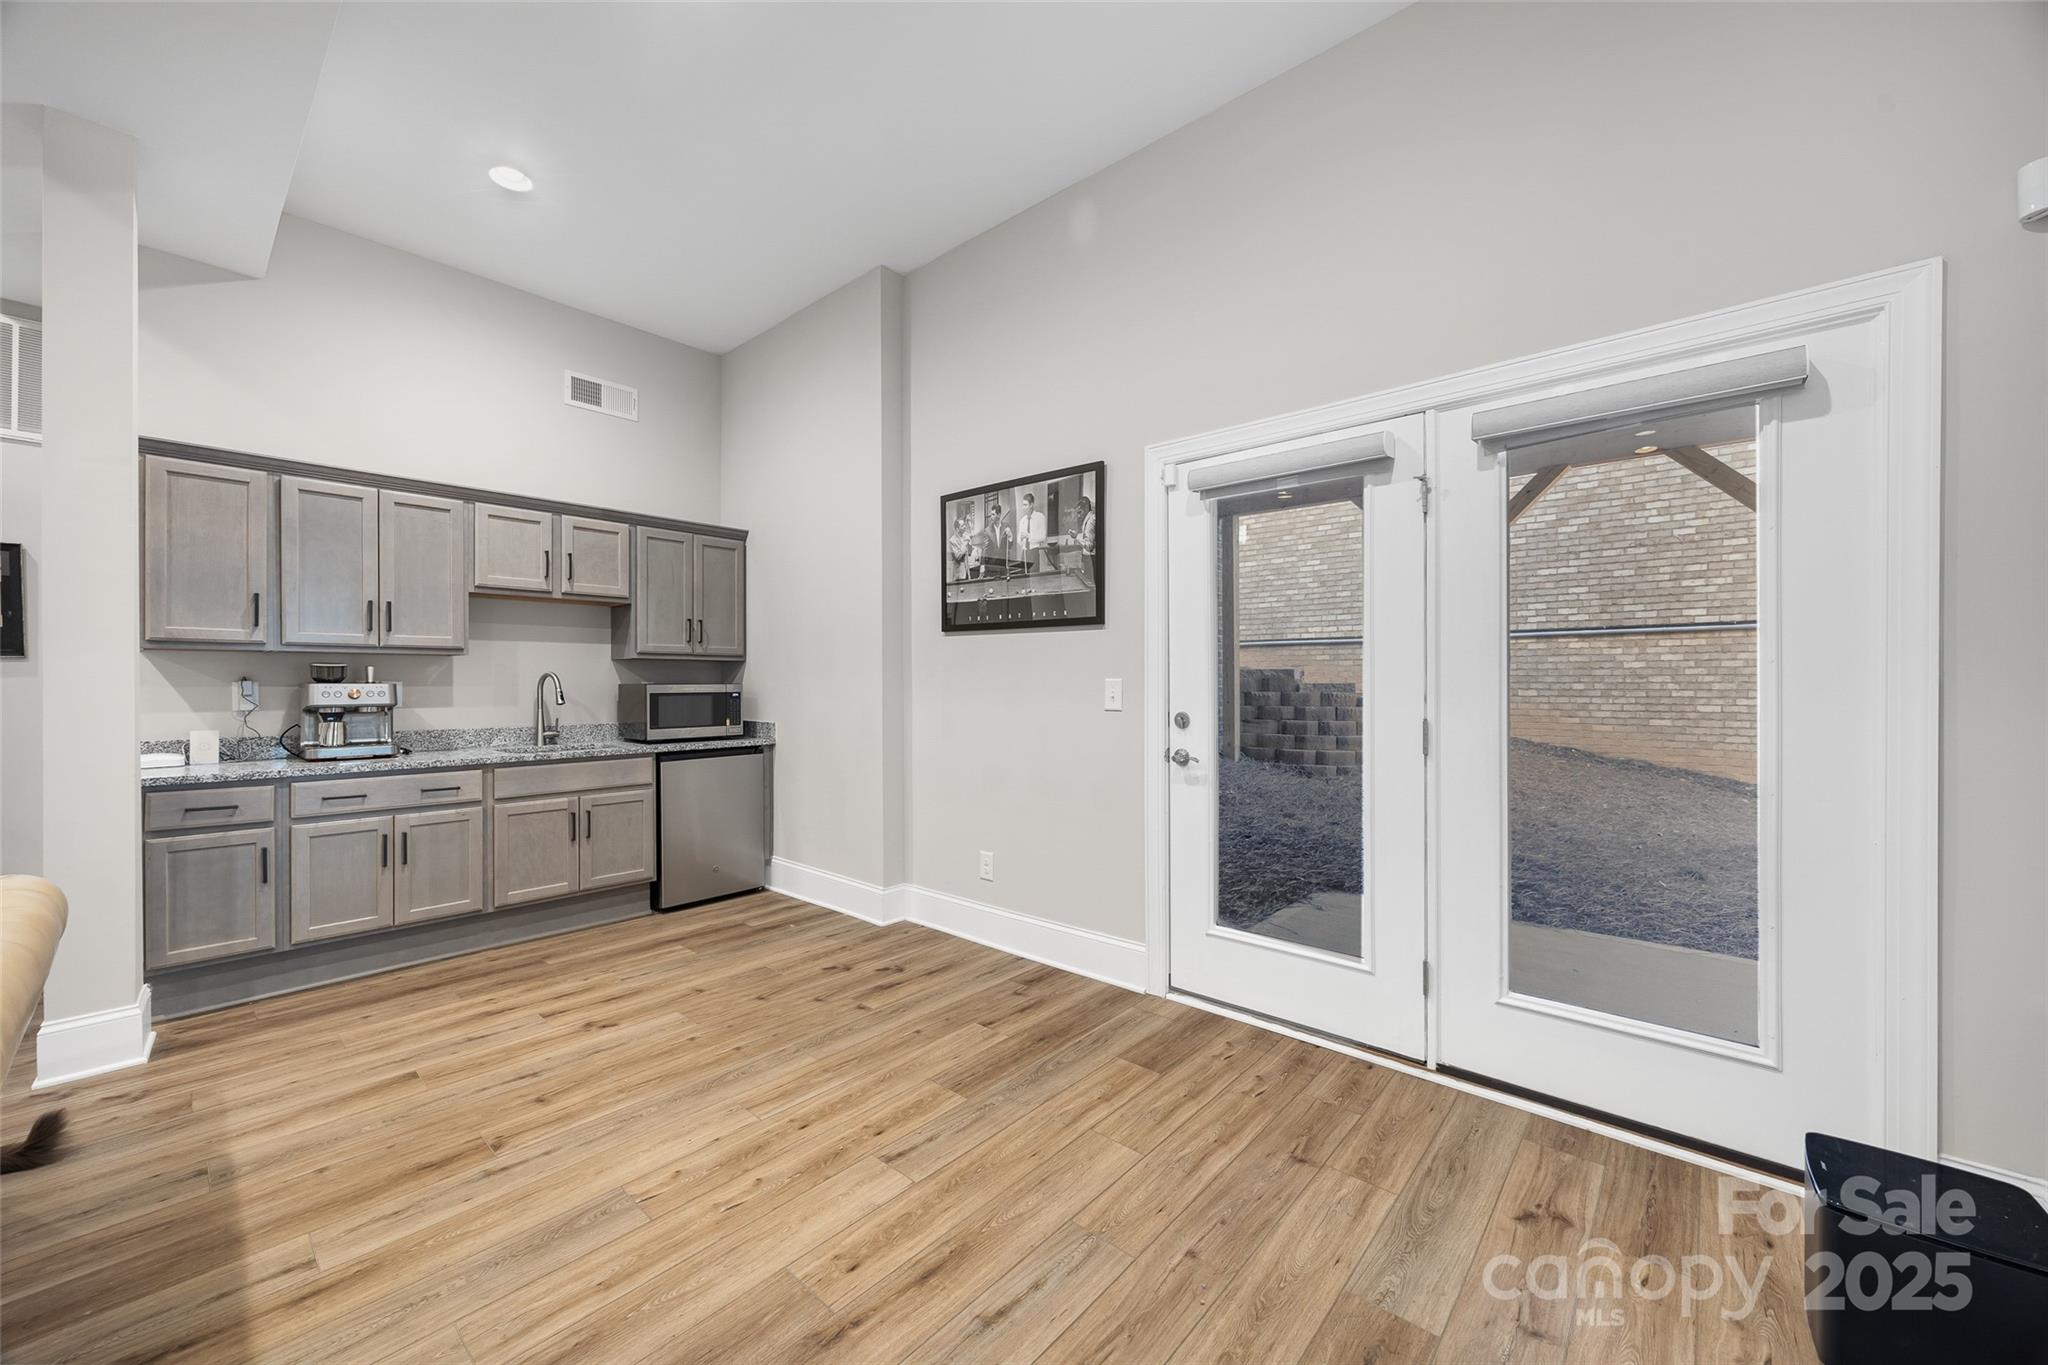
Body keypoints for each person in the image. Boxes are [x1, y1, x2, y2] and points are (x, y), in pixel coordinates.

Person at [1073, 494, 1098, 589]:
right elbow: (1087, 538)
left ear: (1087, 508)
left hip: (1091, 559)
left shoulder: (1091, 521)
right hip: (1088, 558)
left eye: (1080, 512)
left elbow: (1089, 546)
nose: (1078, 516)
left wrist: (1076, 537)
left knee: (1090, 588)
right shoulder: (1088, 519)